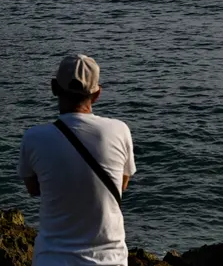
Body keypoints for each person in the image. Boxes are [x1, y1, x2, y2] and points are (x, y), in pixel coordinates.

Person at [18, 54, 137, 266]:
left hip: (52, 260)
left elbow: (34, 189)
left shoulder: (33, 138)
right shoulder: (120, 131)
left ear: (54, 88)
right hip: (110, 261)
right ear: (97, 93)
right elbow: (122, 184)